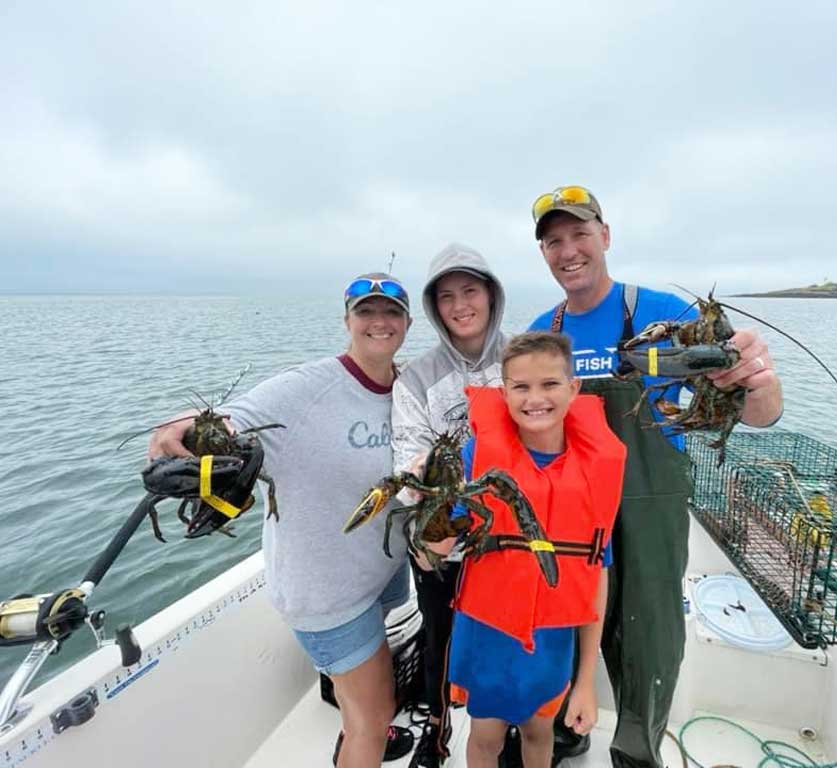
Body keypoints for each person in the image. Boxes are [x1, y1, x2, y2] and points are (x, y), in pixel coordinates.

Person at [527, 186, 784, 768]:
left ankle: (638, 754)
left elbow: (758, 414)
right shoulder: (545, 330)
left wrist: (759, 381)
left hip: (650, 498)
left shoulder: (669, 312)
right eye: (554, 241)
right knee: (565, 622)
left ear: (606, 236)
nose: (568, 250)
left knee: (649, 634)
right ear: (544, 253)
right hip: (570, 507)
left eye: (580, 235)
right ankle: (563, 736)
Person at [147, 273, 417, 768]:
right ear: (347, 321)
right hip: (326, 590)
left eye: (391, 313)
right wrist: (180, 427)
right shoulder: (306, 387)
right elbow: (232, 419)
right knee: (376, 717)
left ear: (408, 323)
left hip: (379, 570)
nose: (379, 322)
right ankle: (361, 739)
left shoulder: (406, 389)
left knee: (362, 700)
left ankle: (353, 730)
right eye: (365, 312)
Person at [427, 331, 625, 768]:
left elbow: (597, 574)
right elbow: (432, 551)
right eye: (521, 386)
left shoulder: (596, 473)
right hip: (487, 634)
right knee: (484, 736)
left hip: (553, 641)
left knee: (540, 734)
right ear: (504, 392)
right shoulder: (476, 455)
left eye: (550, 384)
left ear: (574, 389)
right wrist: (438, 507)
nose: (536, 398)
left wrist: (587, 681)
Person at [391, 243, 509, 767]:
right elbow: (409, 453)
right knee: (440, 640)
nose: (460, 305)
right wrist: (421, 522)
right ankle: (436, 735)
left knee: (509, 637)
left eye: (470, 291)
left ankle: (512, 729)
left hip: (509, 536)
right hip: (444, 535)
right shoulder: (415, 377)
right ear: (434, 308)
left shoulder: (522, 356)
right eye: (446, 296)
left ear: (491, 295)